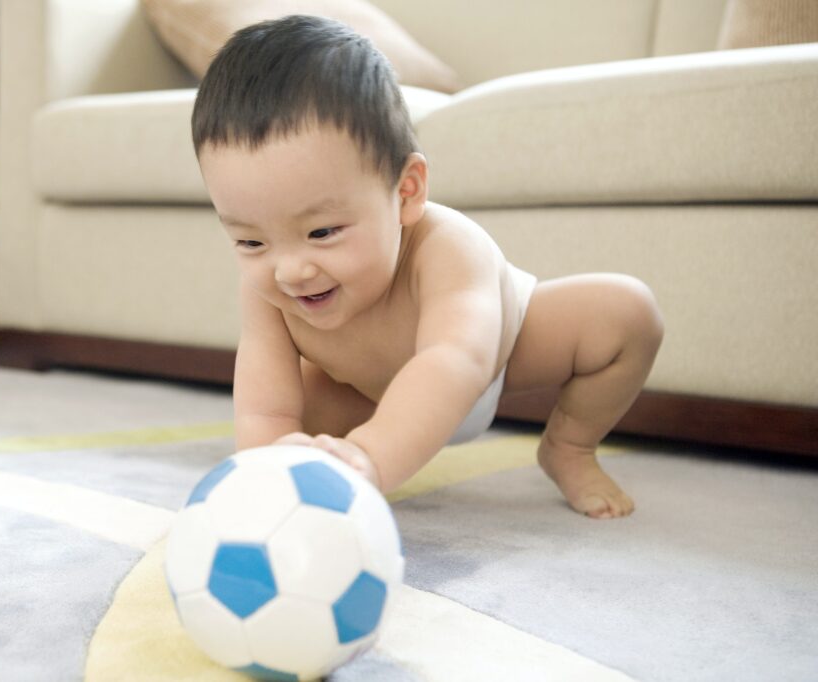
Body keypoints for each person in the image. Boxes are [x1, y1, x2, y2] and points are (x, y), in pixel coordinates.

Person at [191, 15, 664, 519]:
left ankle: (568, 448)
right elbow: (266, 409)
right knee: (292, 435)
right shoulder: (267, 292)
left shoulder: (449, 247)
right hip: (363, 394)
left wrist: (372, 455)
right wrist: (268, 476)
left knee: (627, 313)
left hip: (501, 355)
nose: (290, 271)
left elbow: (454, 360)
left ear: (406, 193)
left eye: (322, 232)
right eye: (250, 240)